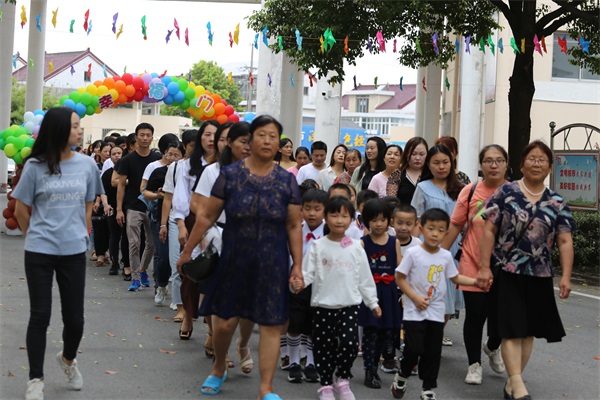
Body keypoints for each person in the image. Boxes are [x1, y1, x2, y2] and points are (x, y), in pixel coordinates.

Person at [177, 115, 302, 400]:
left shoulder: (287, 181)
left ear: (279, 143)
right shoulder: (230, 175)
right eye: (261, 135)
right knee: (224, 323)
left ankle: (266, 388)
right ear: (250, 140)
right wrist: (186, 252)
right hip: (234, 259)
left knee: (270, 324)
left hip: (272, 262)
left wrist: (297, 265)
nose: (267, 141)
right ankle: (219, 366)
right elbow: (206, 216)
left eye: (273, 136)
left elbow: (294, 225)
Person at [12, 107, 103, 400]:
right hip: (39, 251)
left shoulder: (87, 165)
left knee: (75, 319)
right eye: (75, 126)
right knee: (40, 315)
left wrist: (82, 232)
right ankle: (35, 379)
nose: (79, 131)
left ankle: (67, 360)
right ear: (60, 129)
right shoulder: (35, 166)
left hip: (73, 250)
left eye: (79, 126)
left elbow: (88, 203)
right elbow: (21, 210)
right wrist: (34, 237)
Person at [478, 141, 574, 400]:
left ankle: (512, 383)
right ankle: (519, 385)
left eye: (542, 160)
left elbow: (565, 240)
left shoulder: (557, 201)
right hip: (507, 270)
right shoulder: (506, 192)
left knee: (528, 331)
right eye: (531, 158)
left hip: (539, 274)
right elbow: (489, 230)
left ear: (550, 167)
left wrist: (565, 276)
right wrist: (484, 267)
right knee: (511, 328)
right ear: (521, 164)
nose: (536, 163)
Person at [294, 196, 381, 400]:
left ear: (351, 219)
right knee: (323, 347)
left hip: (349, 304)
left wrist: (372, 302)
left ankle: (342, 379)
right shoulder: (318, 246)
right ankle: (325, 384)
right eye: (334, 215)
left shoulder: (356, 247)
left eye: (344, 216)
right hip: (322, 305)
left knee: (350, 344)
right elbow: (307, 273)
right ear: (326, 217)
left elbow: (365, 278)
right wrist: (298, 283)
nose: (339, 220)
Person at [391, 208, 478, 400]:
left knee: (432, 352)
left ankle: (428, 388)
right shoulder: (413, 253)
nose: (435, 234)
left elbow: (455, 278)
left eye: (440, 230)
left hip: (436, 312)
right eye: (431, 228)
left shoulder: (445, 256)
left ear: (447, 233)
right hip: (414, 311)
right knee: (413, 349)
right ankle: (402, 375)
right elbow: (399, 278)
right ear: (421, 229)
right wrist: (414, 297)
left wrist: (476, 281)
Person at [440, 144, 509, 385]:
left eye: (499, 160)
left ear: (506, 165)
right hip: (472, 261)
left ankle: (492, 346)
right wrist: (438, 258)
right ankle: (474, 365)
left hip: (506, 266)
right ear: (481, 165)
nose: (494, 165)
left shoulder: (514, 193)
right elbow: (455, 226)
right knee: (476, 314)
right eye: (488, 160)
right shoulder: (469, 192)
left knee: (503, 316)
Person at [194, 121, 253, 368]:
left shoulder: (262, 170)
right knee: (217, 298)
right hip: (218, 236)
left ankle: (242, 343)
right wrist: (203, 235)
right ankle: (222, 351)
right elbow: (198, 205)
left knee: (248, 301)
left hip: (251, 240)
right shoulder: (212, 171)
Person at [411, 144, 465, 346]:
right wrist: (414, 248)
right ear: (429, 165)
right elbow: (416, 219)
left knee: (448, 295)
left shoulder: (461, 189)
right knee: (429, 292)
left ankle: (434, 338)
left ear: (452, 163)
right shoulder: (423, 187)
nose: (441, 167)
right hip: (429, 247)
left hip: (453, 249)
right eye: (436, 163)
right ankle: (424, 338)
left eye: (445, 162)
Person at [172, 120, 218, 337]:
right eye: (207, 134)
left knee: (216, 274)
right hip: (193, 221)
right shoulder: (187, 165)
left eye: (215, 135)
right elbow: (181, 196)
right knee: (191, 271)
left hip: (221, 224)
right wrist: (181, 225)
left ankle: (212, 329)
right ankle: (189, 315)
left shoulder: (228, 165)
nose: (211, 139)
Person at [285, 189, 328, 384]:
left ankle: (311, 362)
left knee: (315, 326)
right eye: (307, 208)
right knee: (295, 323)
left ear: (325, 211)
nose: (312, 213)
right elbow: (288, 255)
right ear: (300, 209)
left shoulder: (329, 232)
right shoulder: (296, 229)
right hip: (298, 283)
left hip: (321, 286)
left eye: (317, 209)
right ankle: (294, 362)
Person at [359, 198, 403, 389]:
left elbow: (401, 269)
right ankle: (369, 370)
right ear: (366, 221)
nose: (379, 224)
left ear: (389, 220)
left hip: (389, 291)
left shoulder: (394, 242)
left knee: (387, 332)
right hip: (370, 291)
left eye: (383, 219)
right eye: (374, 220)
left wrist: (405, 293)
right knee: (371, 331)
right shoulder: (362, 243)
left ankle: (376, 365)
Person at [116, 123, 162, 291]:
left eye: (148, 135)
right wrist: (119, 209)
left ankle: (142, 270)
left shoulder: (157, 159)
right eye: (141, 135)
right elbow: (121, 185)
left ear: (152, 137)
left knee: (152, 243)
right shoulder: (127, 160)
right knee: (134, 243)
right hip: (133, 206)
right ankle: (135, 278)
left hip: (152, 207)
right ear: (136, 137)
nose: (145, 138)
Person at [159, 129, 198, 319]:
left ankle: (195, 307)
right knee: (177, 264)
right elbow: (168, 198)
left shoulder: (209, 167)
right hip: (176, 220)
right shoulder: (175, 168)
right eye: (192, 146)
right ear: (185, 146)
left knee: (198, 265)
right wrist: (163, 224)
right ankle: (180, 307)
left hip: (200, 221)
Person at [143, 141, 183, 305]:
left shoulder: (185, 173)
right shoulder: (159, 172)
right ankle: (161, 285)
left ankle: (179, 298)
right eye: (169, 154)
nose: (172, 157)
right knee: (163, 256)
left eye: (176, 155)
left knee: (179, 259)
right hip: (161, 218)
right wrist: (159, 195)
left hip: (181, 219)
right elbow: (145, 192)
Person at [102, 145, 128, 276]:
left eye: (119, 153)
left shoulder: (127, 172)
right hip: (112, 207)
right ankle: (114, 262)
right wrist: (106, 205)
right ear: (110, 157)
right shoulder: (107, 174)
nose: (117, 156)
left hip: (127, 207)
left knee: (127, 236)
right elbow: (103, 191)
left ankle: (126, 262)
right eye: (114, 154)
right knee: (114, 235)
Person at [387, 137, 428, 205]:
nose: (417, 158)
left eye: (421, 154)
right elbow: (391, 201)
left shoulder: (430, 174)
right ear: (406, 154)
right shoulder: (397, 175)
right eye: (413, 154)